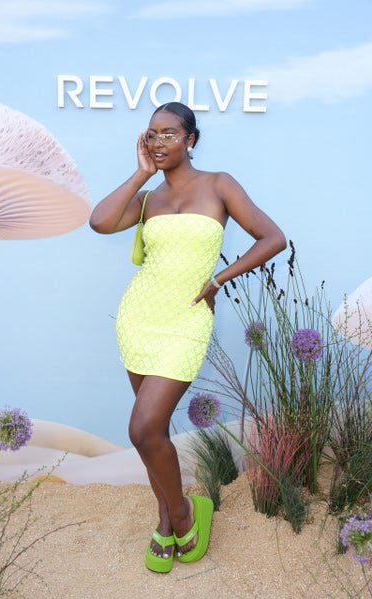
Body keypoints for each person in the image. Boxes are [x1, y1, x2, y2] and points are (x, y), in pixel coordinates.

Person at [89, 102, 287, 573]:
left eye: (169, 134)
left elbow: (272, 238)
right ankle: (166, 515)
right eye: (151, 134)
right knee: (152, 434)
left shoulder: (219, 184)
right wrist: (141, 174)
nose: (158, 142)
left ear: (190, 139)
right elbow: (99, 221)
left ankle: (180, 513)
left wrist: (218, 280)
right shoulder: (148, 198)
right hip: (138, 317)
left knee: (142, 429)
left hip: (186, 321)